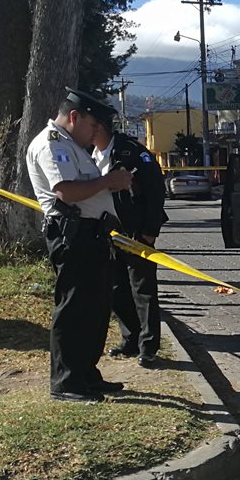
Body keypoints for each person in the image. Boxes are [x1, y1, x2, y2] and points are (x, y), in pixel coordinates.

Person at [25, 88, 132, 403]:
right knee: (74, 309)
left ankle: (85, 373)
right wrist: (108, 182)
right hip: (72, 234)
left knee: (95, 309)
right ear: (75, 116)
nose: (95, 134)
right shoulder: (51, 143)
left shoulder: (72, 145)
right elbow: (67, 192)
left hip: (92, 234)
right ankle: (66, 381)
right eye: (93, 126)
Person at [90, 119, 167, 368]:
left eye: (90, 126)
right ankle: (130, 338)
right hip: (107, 231)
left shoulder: (131, 151)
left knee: (142, 290)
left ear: (98, 127)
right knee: (116, 289)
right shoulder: (86, 154)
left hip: (135, 232)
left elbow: (156, 189)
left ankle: (149, 346)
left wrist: (149, 232)